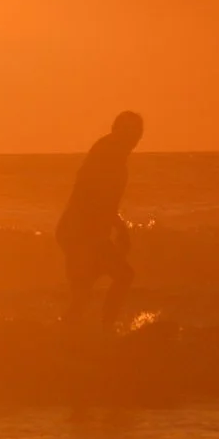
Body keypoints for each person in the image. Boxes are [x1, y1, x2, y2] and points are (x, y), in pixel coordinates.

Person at [57, 110, 143, 333]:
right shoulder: (107, 153)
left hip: (89, 234)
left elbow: (106, 201)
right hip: (79, 233)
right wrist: (118, 228)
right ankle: (104, 330)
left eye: (137, 134)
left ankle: (89, 332)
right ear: (116, 130)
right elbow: (91, 195)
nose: (133, 139)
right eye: (129, 132)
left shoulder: (115, 154)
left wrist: (116, 227)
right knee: (117, 278)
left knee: (87, 290)